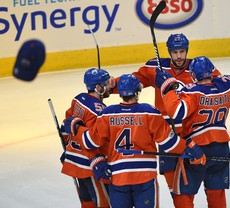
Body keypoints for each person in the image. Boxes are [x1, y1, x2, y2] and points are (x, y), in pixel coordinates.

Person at [111, 33, 230, 198]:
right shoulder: (154, 67)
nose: (179, 56)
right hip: (167, 136)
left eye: (182, 51)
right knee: (176, 190)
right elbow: (131, 82)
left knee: (205, 187)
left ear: (187, 50)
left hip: (191, 135)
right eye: (175, 52)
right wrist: (110, 86)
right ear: (169, 51)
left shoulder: (199, 68)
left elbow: (219, 90)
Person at [62, 74, 206, 208]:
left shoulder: (107, 114)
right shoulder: (149, 112)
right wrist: (189, 147)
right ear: (137, 91)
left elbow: (90, 142)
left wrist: (76, 126)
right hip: (145, 177)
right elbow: (169, 143)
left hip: (118, 178)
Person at [154, 45, 230, 208]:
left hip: (197, 149)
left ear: (193, 75)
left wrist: (167, 88)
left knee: (184, 194)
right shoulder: (228, 86)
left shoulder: (193, 93)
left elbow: (177, 111)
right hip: (222, 148)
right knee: (216, 192)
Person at [60, 68, 114, 208]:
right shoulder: (99, 111)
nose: (110, 86)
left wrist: (68, 148)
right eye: (107, 83)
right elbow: (93, 141)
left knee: (86, 201)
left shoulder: (78, 99)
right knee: (103, 204)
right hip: (90, 165)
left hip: (74, 161)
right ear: (98, 87)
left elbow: (66, 126)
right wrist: (97, 160)